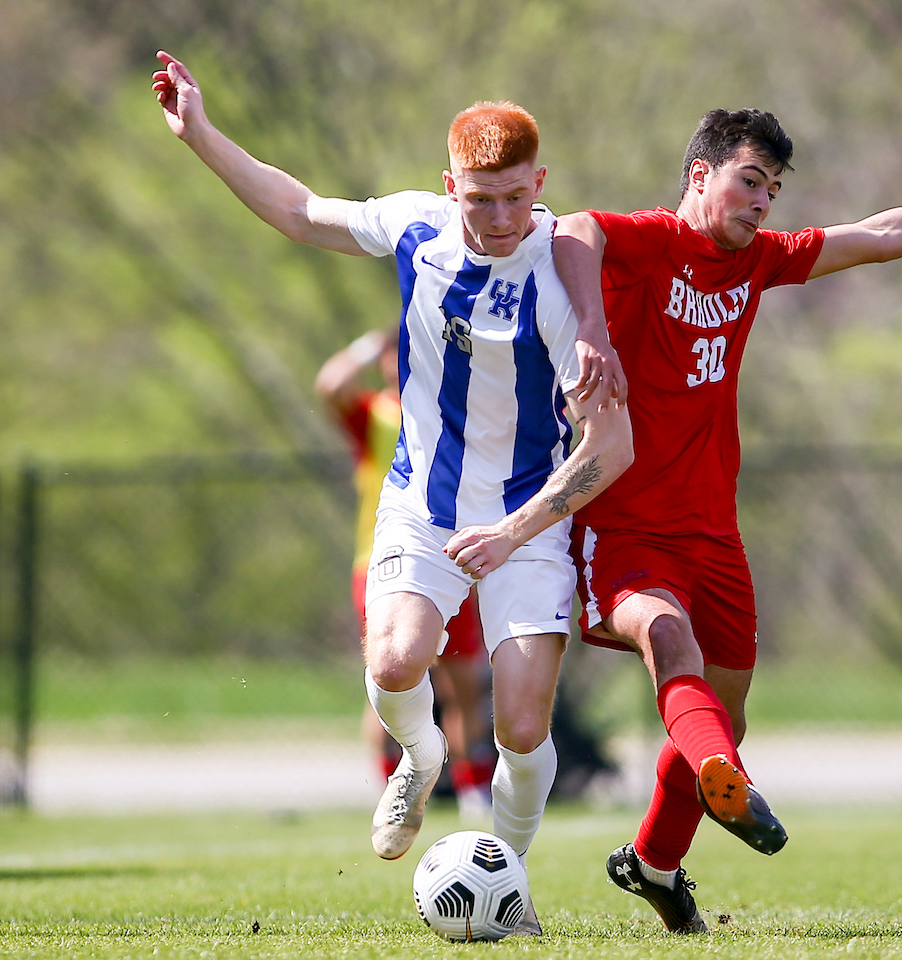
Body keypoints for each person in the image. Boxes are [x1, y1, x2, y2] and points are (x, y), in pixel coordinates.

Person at [553, 108, 902, 933]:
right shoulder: (652, 242)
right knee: (669, 644)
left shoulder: (757, 261)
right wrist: (592, 326)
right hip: (623, 525)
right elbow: (575, 230)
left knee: (721, 717)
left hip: (713, 532)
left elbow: (880, 233)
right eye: (749, 180)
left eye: (772, 188)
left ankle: (655, 864)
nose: (763, 202)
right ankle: (726, 783)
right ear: (701, 175)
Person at [153, 51, 633, 935]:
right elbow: (299, 212)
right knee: (392, 664)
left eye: (516, 197)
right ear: (448, 185)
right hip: (423, 503)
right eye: (479, 197)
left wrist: (515, 530)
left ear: (542, 185)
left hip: (529, 522)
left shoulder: (562, 281)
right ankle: (419, 756)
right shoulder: (414, 228)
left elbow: (614, 447)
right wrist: (203, 135)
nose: (498, 217)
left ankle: (507, 881)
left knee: (523, 725)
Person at [315, 328, 495, 820]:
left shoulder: (455, 408)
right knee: (387, 679)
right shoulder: (374, 414)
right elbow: (329, 386)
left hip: (452, 560)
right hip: (381, 563)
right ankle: (391, 792)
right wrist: (366, 345)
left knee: (463, 686)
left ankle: (473, 793)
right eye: (395, 354)